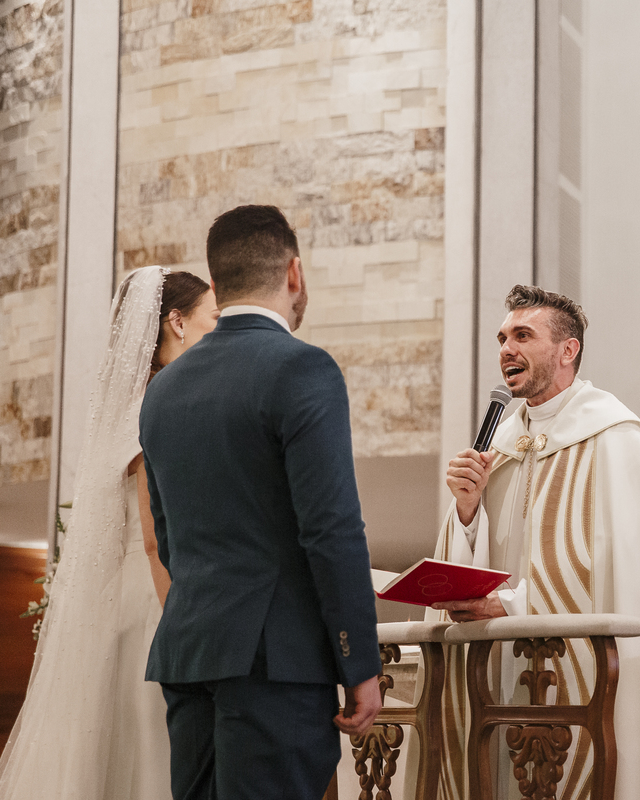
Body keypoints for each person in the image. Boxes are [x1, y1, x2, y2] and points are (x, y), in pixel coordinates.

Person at [139, 204, 382, 800]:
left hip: (190, 654)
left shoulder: (163, 390)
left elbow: (168, 539)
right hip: (277, 662)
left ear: (217, 287)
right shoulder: (302, 367)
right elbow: (330, 530)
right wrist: (360, 663)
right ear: (294, 273)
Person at [429, 285, 640, 800]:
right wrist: (467, 511)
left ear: (568, 351)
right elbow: (480, 558)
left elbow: (620, 574)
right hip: (494, 671)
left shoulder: (617, 441)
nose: (506, 348)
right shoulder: (495, 446)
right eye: (502, 337)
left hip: (575, 675)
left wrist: (514, 604)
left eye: (523, 335)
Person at [0, 266, 220, 800]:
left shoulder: (134, 409)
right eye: (214, 317)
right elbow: (155, 538)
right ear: (177, 323)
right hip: (157, 604)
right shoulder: (155, 411)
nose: (221, 330)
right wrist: (183, 624)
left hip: (129, 603)